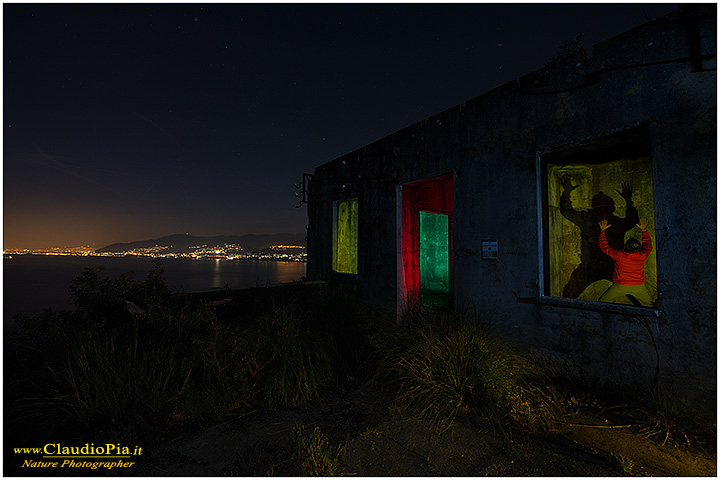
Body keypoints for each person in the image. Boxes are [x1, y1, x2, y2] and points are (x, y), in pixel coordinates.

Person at [597, 218, 653, 306]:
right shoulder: (643, 255)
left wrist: (602, 231)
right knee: (650, 306)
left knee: (602, 302)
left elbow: (604, 247)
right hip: (639, 287)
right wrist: (644, 230)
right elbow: (648, 245)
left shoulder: (619, 255)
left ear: (626, 247)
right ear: (639, 248)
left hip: (620, 286)